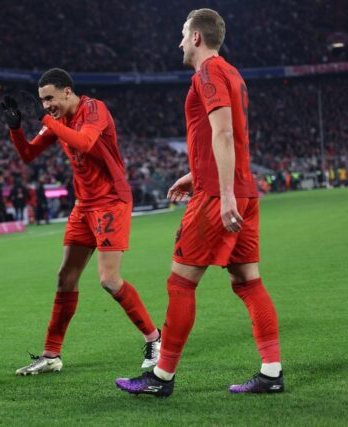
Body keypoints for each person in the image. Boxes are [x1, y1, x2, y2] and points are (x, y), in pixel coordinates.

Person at [115, 9, 283, 397]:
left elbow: (223, 133)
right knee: (248, 282)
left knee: (180, 284)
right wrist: (197, 172)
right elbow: (231, 135)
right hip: (244, 189)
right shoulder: (232, 73)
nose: (178, 42)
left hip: (218, 196)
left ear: (195, 38)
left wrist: (220, 193)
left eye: (182, 34)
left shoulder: (206, 73)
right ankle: (271, 372)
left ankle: (161, 378)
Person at [1, 68, 161, 376]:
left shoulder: (93, 109)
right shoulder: (57, 120)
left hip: (111, 201)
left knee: (109, 280)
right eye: (41, 100)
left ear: (67, 92)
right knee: (66, 277)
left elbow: (86, 142)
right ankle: (51, 355)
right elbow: (28, 154)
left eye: (49, 98)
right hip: (83, 205)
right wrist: (15, 129)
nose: (46, 105)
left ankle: (155, 339)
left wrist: (46, 120)